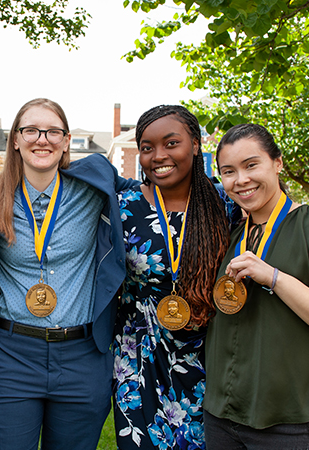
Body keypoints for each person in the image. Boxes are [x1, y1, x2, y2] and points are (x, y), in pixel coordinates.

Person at [0, 98, 138, 450]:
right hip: (10, 355)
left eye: (53, 131)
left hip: (82, 355)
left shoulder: (96, 182)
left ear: (65, 141)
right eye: (31, 130)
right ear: (15, 138)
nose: (41, 139)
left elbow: (151, 196)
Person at [204, 123, 309, 449]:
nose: (241, 180)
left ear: (278, 163)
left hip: (289, 420)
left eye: (252, 165)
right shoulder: (230, 234)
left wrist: (274, 278)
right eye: (228, 171)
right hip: (221, 415)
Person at [113, 105, 231, 450]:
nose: (158, 156)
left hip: (209, 358)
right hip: (139, 356)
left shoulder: (225, 205)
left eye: (171, 143)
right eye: (147, 148)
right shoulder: (122, 207)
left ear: (195, 144)